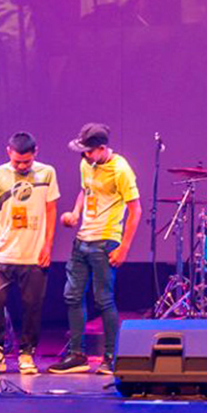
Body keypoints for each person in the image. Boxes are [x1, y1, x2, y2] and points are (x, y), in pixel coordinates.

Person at [50, 123, 140, 375]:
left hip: (105, 240)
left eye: (89, 151)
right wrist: (75, 213)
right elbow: (85, 191)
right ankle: (77, 354)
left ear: (102, 148)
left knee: (103, 300)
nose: (85, 156)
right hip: (82, 239)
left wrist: (124, 247)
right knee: (72, 295)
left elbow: (135, 209)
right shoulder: (86, 164)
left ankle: (111, 356)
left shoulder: (120, 169)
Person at [0, 132, 59, 375]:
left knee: (32, 304)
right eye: (17, 162)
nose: (22, 166)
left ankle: (26, 353)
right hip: (2, 251)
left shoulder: (47, 173)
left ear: (35, 153)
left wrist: (48, 245)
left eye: (27, 162)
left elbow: (51, 210)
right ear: (8, 152)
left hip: (33, 252)